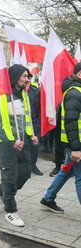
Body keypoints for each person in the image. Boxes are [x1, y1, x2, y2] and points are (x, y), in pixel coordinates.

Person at [0, 64, 38, 227]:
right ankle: (10, 211)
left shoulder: (23, 95)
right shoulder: (1, 97)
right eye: (24, 76)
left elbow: (26, 119)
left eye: (27, 76)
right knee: (10, 178)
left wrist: (31, 135)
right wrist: (11, 141)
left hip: (22, 143)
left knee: (24, 174)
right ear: (15, 77)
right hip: (6, 146)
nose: (27, 79)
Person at [41, 64, 81, 213]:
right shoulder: (75, 93)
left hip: (76, 143)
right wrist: (76, 148)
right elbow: (71, 122)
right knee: (80, 177)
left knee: (66, 171)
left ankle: (48, 198)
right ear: (79, 74)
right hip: (76, 144)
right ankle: (48, 198)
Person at [27, 76, 42, 175]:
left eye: (28, 77)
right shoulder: (15, 91)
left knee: (35, 145)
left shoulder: (34, 90)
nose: (27, 79)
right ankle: (25, 166)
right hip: (23, 122)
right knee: (24, 145)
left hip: (34, 121)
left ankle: (33, 165)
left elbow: (38, 105)